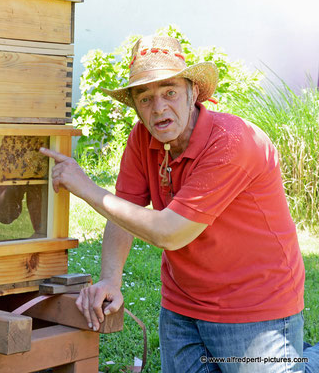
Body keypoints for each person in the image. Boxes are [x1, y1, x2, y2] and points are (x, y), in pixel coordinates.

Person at [39, 35, 319, 373]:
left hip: (255, 303)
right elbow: (125, 207)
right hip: (183, 306)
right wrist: (111, 279)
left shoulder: (233, 142)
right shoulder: (143, 138)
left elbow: (170, 233)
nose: (158, 108)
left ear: (193, 92)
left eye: (169, 92)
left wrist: (86, 188)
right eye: (146, 98)